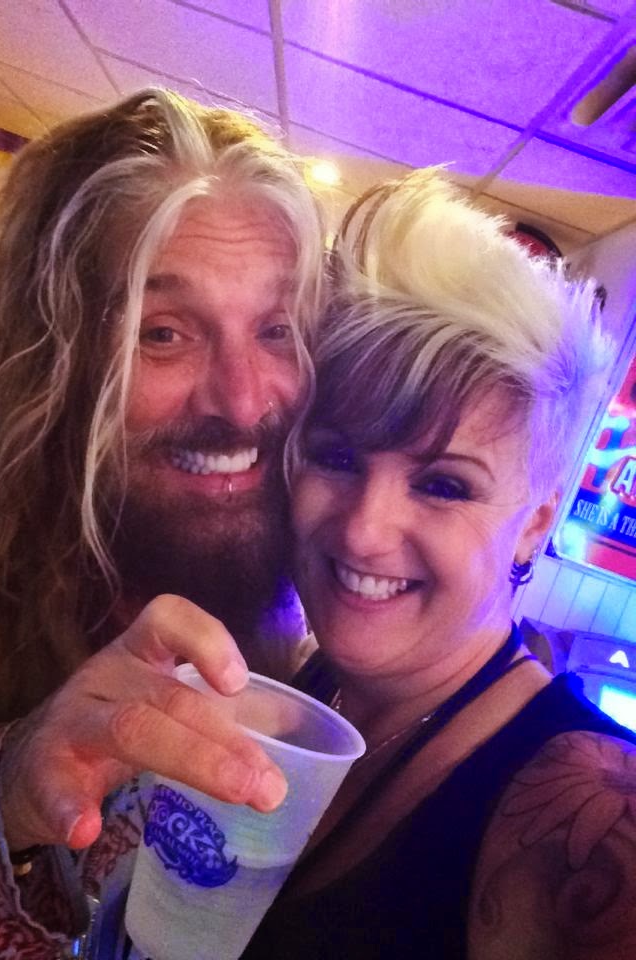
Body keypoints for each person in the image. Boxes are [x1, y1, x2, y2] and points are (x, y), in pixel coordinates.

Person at [0, 89, 325, 957]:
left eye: (276, 329)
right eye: (163, 332)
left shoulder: (280, 635)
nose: (244, 400)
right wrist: (2, 795)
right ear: (45, 357)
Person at [241, 171, 636, 959]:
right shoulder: (313, 690)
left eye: (444, 485)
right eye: (337, 456)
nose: (363, 532)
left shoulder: (589, 811)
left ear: (534, 524)